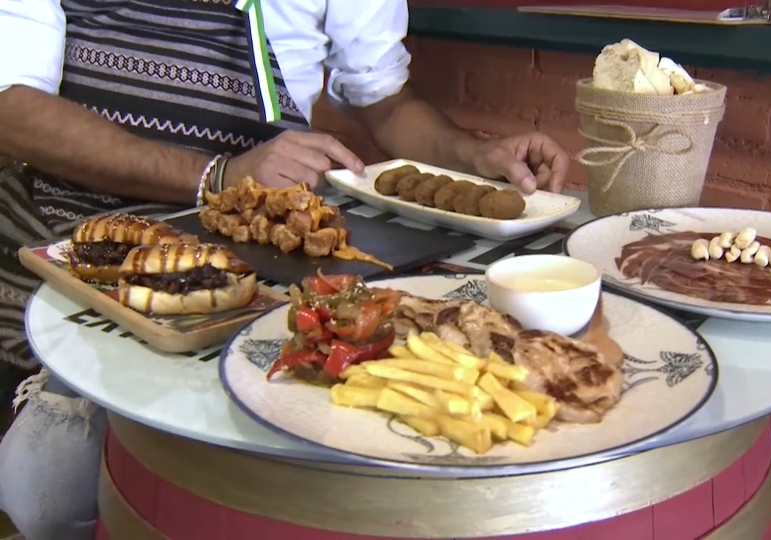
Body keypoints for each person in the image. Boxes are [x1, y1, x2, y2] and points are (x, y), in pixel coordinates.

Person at [0, 1, 571, 538]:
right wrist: (216, 175)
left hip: (258, 245)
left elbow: (386, 102)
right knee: (46, 483)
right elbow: (11, 105)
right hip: (81, 222)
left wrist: (475, 156)